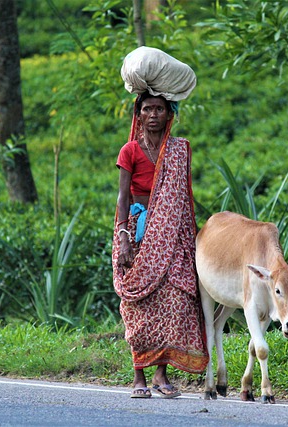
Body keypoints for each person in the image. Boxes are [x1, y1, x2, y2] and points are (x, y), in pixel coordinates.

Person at [112, 91, 209, 399]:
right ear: (138, 115)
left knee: (172, 303)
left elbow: (179, 200)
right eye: (147, 109)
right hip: (137, 233)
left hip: (171, 237)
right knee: (136, 307)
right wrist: (124, 237)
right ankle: (138, 376)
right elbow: (122, 197)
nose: (153, 114)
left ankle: (160, 375)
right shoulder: (129, 150)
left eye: (159, 109)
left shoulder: (177, 152)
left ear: (169, 114)